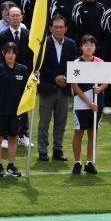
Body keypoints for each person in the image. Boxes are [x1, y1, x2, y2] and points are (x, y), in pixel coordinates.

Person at [35, 16, 77, 163]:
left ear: (66, 29)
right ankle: (42, 150)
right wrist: (55, 78)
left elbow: (73, 64)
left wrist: (65, 77)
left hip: (64, 89)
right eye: (56, 27)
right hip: (47, 88)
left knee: (61, 122)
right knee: (44, 122)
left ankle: (57, 149)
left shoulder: (71, 44)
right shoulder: (43, 44)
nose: (58, 30)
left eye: (61, 27)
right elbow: (40, 65)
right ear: (50, 28)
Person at [0, 42, 28, 177]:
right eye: (8, 52)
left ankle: (11, 166)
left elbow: (27, 89)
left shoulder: (23, 69)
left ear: (16, 54)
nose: (10, 55)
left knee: (13, 137)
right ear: (3, 53)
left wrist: (35, 77)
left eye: (13, 53)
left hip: (16, 112)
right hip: (0, 110)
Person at [71, 35, 107, 174]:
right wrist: (88, 102)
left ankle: (89, 162)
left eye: (92, 44)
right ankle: (77, 162)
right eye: (86, 44)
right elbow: (75, 86)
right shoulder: (76, 63)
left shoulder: (100, 62)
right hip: (81, 103)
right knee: (79, 132)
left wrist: (101, 88)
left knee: (93, 132)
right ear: (81, 47)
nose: (89, 47)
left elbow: (106, 80)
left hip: (97, 103)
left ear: (95, 47)